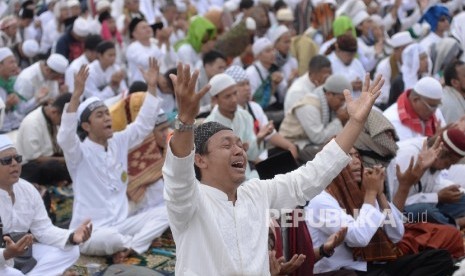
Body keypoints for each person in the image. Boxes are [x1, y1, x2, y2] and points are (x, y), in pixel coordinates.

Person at [162, 61, 384, 274]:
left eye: (240, 144)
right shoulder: (189, 202)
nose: (239, 150)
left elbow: (312, 175)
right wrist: (185, 119)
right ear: (200, 159)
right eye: (226, 145)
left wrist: (355, 122)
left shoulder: (256, 193)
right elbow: (178, 174)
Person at [57, 59, 168, 263]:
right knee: (112, 239)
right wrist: (75, 96)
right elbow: (65, 137)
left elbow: (143, 125)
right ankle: (133, 243)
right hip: (92, 231)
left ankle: (132, 245)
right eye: (100, 115)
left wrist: (152, 87)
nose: (107, 118)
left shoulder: (118, 141)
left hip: (122, 222)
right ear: (87, 126)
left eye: (107, 114)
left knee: (167, 211)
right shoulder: (78, 153)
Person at [307, 147, 454, 275]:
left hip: (373, 265)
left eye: (357, 155)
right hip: (345, 271)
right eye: (348, 156)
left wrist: (380, 194)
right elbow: (359, 238)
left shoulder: (362, 192)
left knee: (441, 258)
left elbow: (396, 234)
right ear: (331, 165)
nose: (357, 161)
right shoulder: (321, 200)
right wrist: (371, 193)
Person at [0, 134, 92, 276]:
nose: (14, 164)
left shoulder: (27, 190)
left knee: (71, 250)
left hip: (20, 257)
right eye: (7, 160)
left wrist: (72, 236)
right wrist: (6, 254)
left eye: (17, 159)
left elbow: (43, 229)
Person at [388, 128, 465, 228]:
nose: (448, 168)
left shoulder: (435, 159)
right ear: (442, 153)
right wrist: (437, 197)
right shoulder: (409, 155)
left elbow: (430, 185)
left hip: (422, 203)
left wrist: (454, 191)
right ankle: (454, 225)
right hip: (396, 214)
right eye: (448, 163)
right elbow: (396, 201)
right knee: (425, 211)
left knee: (462, 198)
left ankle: (445, 223)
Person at [280, 74, 351, 162]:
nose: (343, 104)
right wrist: (339, 120)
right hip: (294, 144)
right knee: (330, 154)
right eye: (341, 100)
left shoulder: (329, 104)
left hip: (310, 143)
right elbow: (318, 138)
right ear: (329, 94)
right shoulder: (309, 106)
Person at [383, 76, 445, 141]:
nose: (434, 111)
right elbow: (406, 149)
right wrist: (433, 141)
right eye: (431, 107)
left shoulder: (435, 111)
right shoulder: (393, 120)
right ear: (415, 100)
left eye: (437, 106)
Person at [374, 31, 413, 109]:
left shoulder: (413, 63)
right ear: (396, 51)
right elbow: (383, 94)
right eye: (405, 49)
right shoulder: (384, 66)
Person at [0, 48, 21, 133]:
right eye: (11, 62)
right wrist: (7, 105)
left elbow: (21, 110)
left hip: (15, 126)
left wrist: (37, 99)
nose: (15, 66)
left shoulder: (12, 82)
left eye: (15, 62)